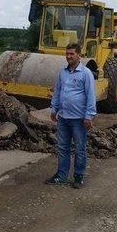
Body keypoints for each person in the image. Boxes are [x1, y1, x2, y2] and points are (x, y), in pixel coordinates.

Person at [45, 42, 96, 189]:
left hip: (79, 119)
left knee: (80, 148)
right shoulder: (63, 72)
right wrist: (54, 109)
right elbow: (58, 92)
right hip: (63, 117)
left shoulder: (86, 74)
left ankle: (78, 177)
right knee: (63, 147)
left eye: (71, 54)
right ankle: (61, 175)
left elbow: (91, 96)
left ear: (79, 54)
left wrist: (89, 116)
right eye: (67, 54)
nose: (68, 57)